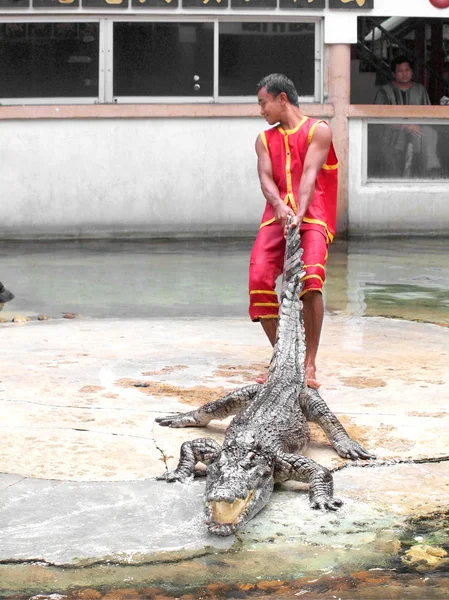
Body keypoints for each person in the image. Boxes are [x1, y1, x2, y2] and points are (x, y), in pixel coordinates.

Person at [249, 73, 338, 389]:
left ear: (281, 98)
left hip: (313, 214)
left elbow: (310, 175)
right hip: (276, 217)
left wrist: (299, 212)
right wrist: (279, 205)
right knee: (259, 279)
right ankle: (283, 362)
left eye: (263, 102)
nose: (261, 110)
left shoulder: (318, 130)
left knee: (311, 280)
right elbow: (266, 180)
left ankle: (309, 364)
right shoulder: (264, 139)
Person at [374, 55, 441, 177]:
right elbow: (378, 118)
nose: (404, 73)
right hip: (392, 139)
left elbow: (428, 115)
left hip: (418, 136)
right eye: (400, 71)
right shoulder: (384, 91)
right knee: (393, 176)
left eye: (407, 70)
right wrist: (404, 126)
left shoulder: (420, 90)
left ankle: (431, 175)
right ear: (394, 74)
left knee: (429, 135)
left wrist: (416, 126)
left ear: (412, 72)